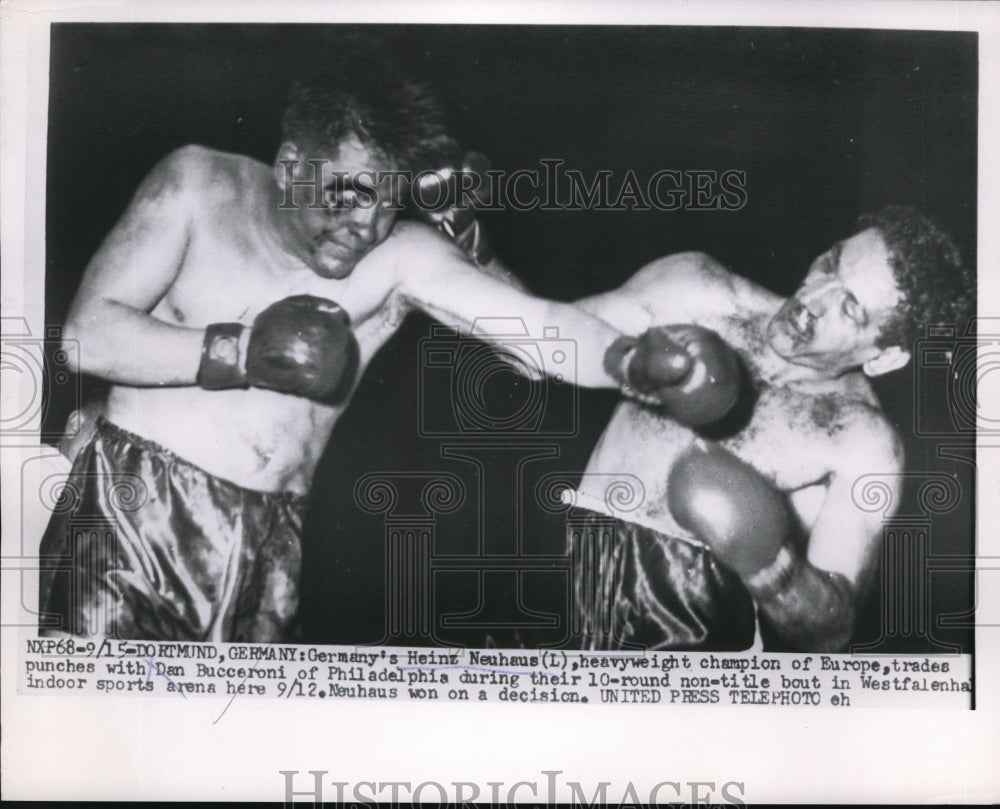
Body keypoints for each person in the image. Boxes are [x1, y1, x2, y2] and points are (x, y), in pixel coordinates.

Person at [39, 57, 696, 643]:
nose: (370, 227)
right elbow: (82, 337)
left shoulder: (397, 254)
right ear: (293, 166)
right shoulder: (197, 186)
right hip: (132, 521)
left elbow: (531, 335)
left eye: (389, 203)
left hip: (271, 544)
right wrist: (242, 352)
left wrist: (627, 361)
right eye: (350, 196)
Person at [569, 206, 972, 652]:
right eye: (830, 264)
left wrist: (772, 567)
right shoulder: (697, 290)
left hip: (686, 635)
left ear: (884, 357)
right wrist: (481, 259)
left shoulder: (859, 442)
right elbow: (541, 345)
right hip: (567, 575)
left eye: (850, 307)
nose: (813, 298)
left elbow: (829, 634)